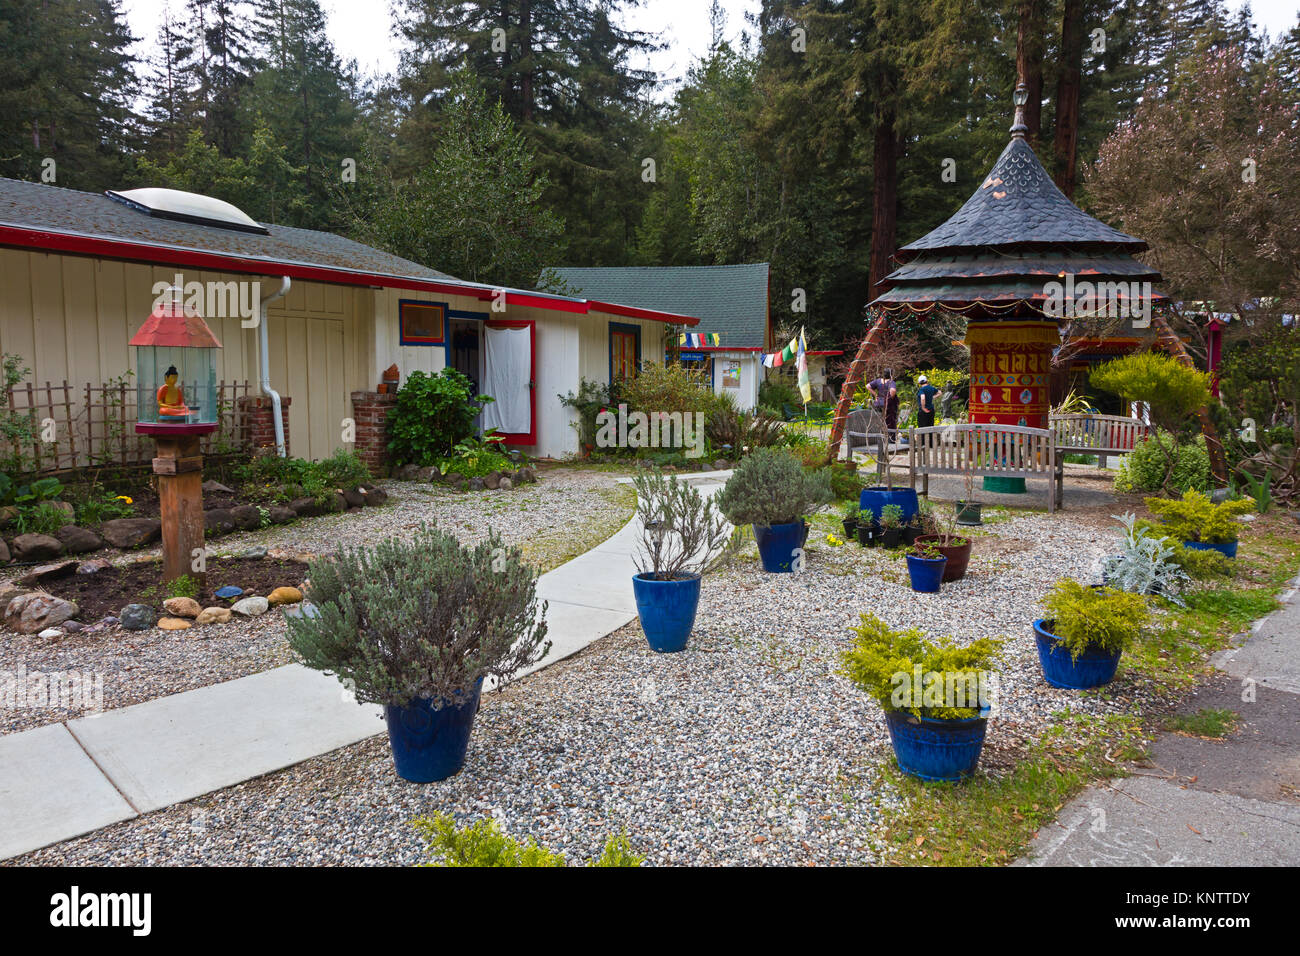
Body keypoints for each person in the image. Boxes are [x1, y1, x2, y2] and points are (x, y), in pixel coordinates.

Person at [866, 368, 899, 439]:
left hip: (878, 404)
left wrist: (875, 395)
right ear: (891, 374)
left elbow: (868, 386)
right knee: (890, 421)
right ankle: (890, 438)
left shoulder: (878, 381)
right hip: (887, 405)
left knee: (878, 421)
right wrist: (890, 398)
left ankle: (879, 438)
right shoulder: (891, 382)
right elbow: (893, 390)